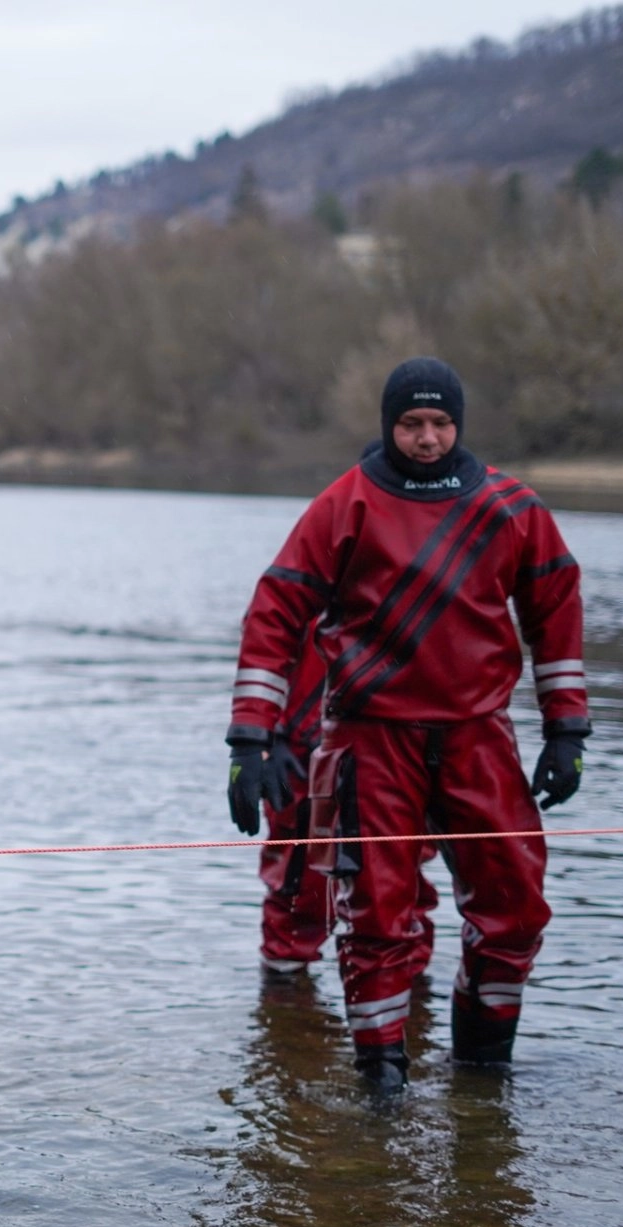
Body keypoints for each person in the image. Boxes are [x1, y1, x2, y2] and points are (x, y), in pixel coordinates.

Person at [225, 357, 590, 1095]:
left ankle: (484, 1066)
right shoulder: (345, 503)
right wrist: (251, 739)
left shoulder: (511, 508)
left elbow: (555, 610)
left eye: (441, 424)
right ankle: (381, 1080)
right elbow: (276, 611)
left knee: (516, 905)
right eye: (411, 424)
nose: (427, 438)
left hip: (479, 735)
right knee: (376, 915)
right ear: (388, 424)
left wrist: (567, 730)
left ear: (460, 424)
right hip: (370, 739)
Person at [250, 620, 438, 983]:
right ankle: (285, 992)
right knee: (298, 884)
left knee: (401, 877)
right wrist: (263, 736)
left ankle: (405, 987)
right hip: (303, 747)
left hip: (399, 743)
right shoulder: (295, 594)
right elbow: (264, 645)